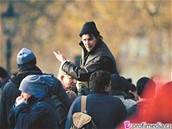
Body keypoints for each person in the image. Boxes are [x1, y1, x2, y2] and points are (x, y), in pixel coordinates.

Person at [54, 21, 118, 95]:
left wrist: (64, 63)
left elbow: (82, 74)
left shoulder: (102, 57)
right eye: (84, 40)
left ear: (97, 38)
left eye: (90, 39)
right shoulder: (89, 50)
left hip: (106, 96)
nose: (87, 43)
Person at [0, 48, 43, 129]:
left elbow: (3, 120)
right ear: (34, 62)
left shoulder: (8, 87)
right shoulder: (45, 82)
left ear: (18, 65)